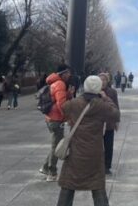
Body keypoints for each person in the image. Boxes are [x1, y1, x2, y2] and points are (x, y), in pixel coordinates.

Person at [56, 75, 119, 206]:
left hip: (75, 152)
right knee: (97, 186)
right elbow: (116, 114)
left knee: (69, 184)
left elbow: (63, 108)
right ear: (99, 88)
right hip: (94, 153)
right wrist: (106, 98)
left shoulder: (74, 104)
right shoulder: (102, 106)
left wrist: (71, 96)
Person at [39, 64, 75, 182]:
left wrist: (69, 94)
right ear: (63, 73)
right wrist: (68, 116)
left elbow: (58, 99)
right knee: (57, 146)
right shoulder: (60, 83)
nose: (69, 75)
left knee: (55, 144)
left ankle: (45, 167)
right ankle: (52, 172)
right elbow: (61, 103)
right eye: (68, 73)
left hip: (51, 118)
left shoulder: (54, 82)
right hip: (56, 119)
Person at [99, 73, 119, 176]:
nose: (102, 82)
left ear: (107, 81)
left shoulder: (112, 92)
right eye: (100, 80)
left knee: (108, 145)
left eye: (104, 80)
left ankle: (107, 166)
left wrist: (116, 121)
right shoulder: (94, 91)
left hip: (109, 123)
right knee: (97, 146)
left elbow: (116, 107)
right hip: (97, 123)